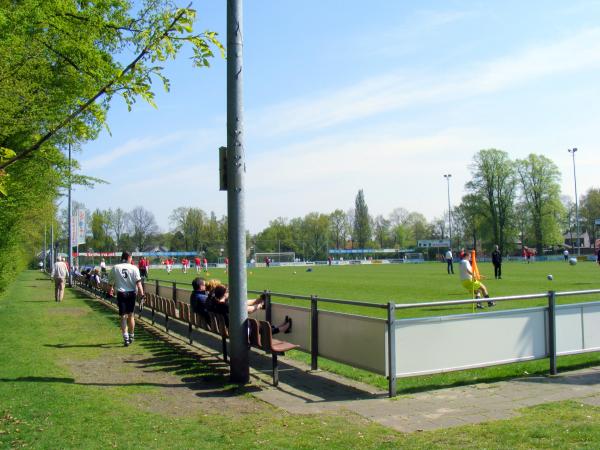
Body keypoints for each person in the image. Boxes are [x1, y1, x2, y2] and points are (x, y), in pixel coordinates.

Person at [108, 251, 145, 347]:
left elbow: (110, 282)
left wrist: (110, 290)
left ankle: (126, 338)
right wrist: (142, 294)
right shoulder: (134, 268)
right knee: (131, 316)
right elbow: (138, 283)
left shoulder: (115, 267)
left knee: (123, 316)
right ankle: (131, 335)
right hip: (132, 293)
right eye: (131, 257)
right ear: (128, 257)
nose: (132, 259)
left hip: (121, 293)